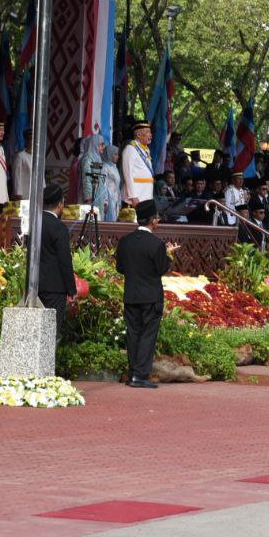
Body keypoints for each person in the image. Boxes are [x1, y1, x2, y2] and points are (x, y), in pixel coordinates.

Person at [115, 199, 172, 389]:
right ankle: (140, 375)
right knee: (148, 334)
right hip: (151, 296)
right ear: (153, 221)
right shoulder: (157, 244)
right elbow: (162, 269)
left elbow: (120, 268)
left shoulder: (125, 242)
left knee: (133, 334)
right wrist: (169, 254)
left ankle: (133, 373)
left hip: (131, 294)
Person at [36, 183, 77, 339]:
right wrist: (71, 290)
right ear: (60, 205)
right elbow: (64, 260)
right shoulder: (58, 227)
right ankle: (47, 363)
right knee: (50, 332)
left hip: (35, 285)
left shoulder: (35, 223)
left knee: (37, 331)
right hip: (55, 287)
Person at [121, 121, 155, 206]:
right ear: (139, 135)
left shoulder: (145, 149)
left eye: (150, 132)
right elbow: (127, 174)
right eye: (148, 132)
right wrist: (133, 196)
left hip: (145, 194)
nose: (151, 135)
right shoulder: (130, 148)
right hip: (135, 196)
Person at [13, 130, 34, 202]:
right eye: (30, 139)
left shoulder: (38, 157)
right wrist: (18, 193)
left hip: (36, 193)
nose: (32, 142)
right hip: (24, 194)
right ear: (26, 140)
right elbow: (17, 175)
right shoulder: (21, 156)